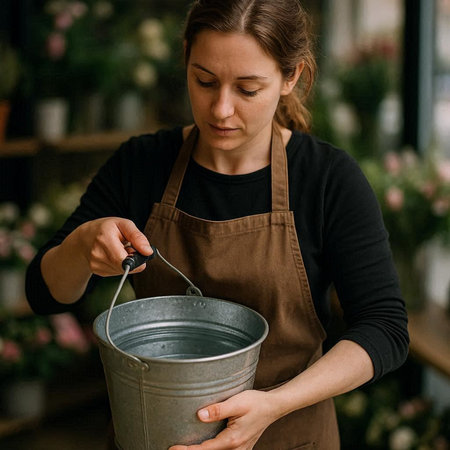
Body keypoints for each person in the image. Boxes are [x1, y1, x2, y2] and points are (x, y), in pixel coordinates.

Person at [26, 0, 409, 448]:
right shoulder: (142, 164)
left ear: (291, 78)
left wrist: (274, 404)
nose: (221, 109)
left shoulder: (327, 180)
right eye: (204, 81)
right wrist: (81, 247)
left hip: (289, 435)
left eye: (248, 89)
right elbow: (43, 293)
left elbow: (385, 328)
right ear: (186, 55)